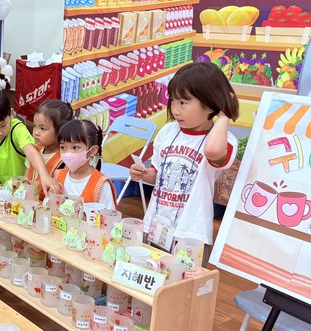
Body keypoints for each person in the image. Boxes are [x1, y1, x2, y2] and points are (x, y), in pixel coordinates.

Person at [129, 61, 239, 251]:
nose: (175, 109)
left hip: (190, 235)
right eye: (172, 100)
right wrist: (144, 174)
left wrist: (224, 115)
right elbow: (157, 175)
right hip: (156, 225)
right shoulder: (167, 131)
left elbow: (213, 152)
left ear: (210, 105)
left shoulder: (223, 140)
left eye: (183, 103)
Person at [0, 89, 60, 195]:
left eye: (3, 125)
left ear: (11, 114)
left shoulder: (17, 128)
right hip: (5, 188)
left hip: (24, 189)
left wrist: (44, 175)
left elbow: (31, 151)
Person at [54, 119, 116, 209]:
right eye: (63, 147)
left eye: (75, 147)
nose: (68, 153)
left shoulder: (100, 185)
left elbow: (109, 215)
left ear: (92, 151)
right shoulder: (58, 176)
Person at [27, 99, 74, 182]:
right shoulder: (35, 151)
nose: (36, 132)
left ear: (61, 130)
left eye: (42, 128)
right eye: (34, 126)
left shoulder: (63, 161)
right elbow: (26, 177)